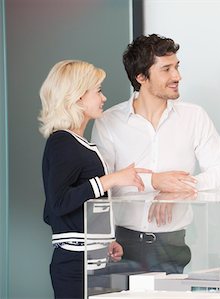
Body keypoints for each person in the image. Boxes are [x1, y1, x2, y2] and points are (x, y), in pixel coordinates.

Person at [91, 34, 220, 274]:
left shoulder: (194, 117)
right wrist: (156, 182)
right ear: (141, 77)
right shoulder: (109, 122)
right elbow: (105, 186)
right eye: (166, 69)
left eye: (177, 67)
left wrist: (174, 190)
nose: (177, 76)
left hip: (173, 245)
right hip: (121, 245)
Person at [39, 60, 151, 299]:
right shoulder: (62, 142)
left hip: (91, 263)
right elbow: (58, 203)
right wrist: (110, 180)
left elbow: (80, 204)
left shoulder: (80, 144)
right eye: (98, 91)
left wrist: (104, 242)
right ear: (78, 98)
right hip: (74, 267)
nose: (103, 98)